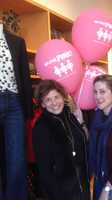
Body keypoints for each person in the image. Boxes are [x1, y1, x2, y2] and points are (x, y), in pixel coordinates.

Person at [32, 80, 90, 200]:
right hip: (60, 192)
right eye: (48, 100)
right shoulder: (41, 127)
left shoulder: (71, 116)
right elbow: (44, 170)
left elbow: (84, 143)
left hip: (82, 185)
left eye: (56, 97)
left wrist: (82, 122)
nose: (54, 103)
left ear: (63, 97)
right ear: (42, 104)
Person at [0, 20, 33, 200]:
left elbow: (25, 78)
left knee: (16, 159)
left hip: (14, 103)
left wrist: (28, 110)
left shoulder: (17, 42)